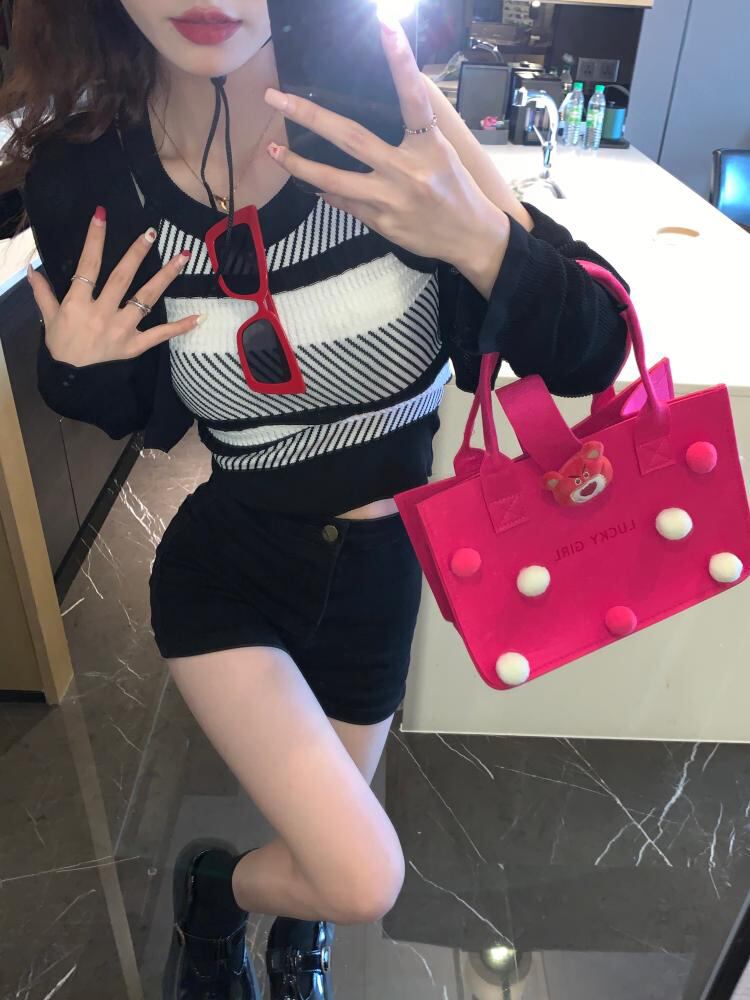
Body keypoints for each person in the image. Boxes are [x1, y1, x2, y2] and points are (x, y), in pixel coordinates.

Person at [1, 2, 629, 997]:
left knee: (326, 847)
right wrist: (73, 368)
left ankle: (295, 931)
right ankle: (216, 893)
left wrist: (478, 239)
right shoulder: (90, 177)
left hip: (381, 577)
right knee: (361, 871)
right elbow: (129, 405)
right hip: (228, 572)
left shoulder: (386, 117)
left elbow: (594, 346)